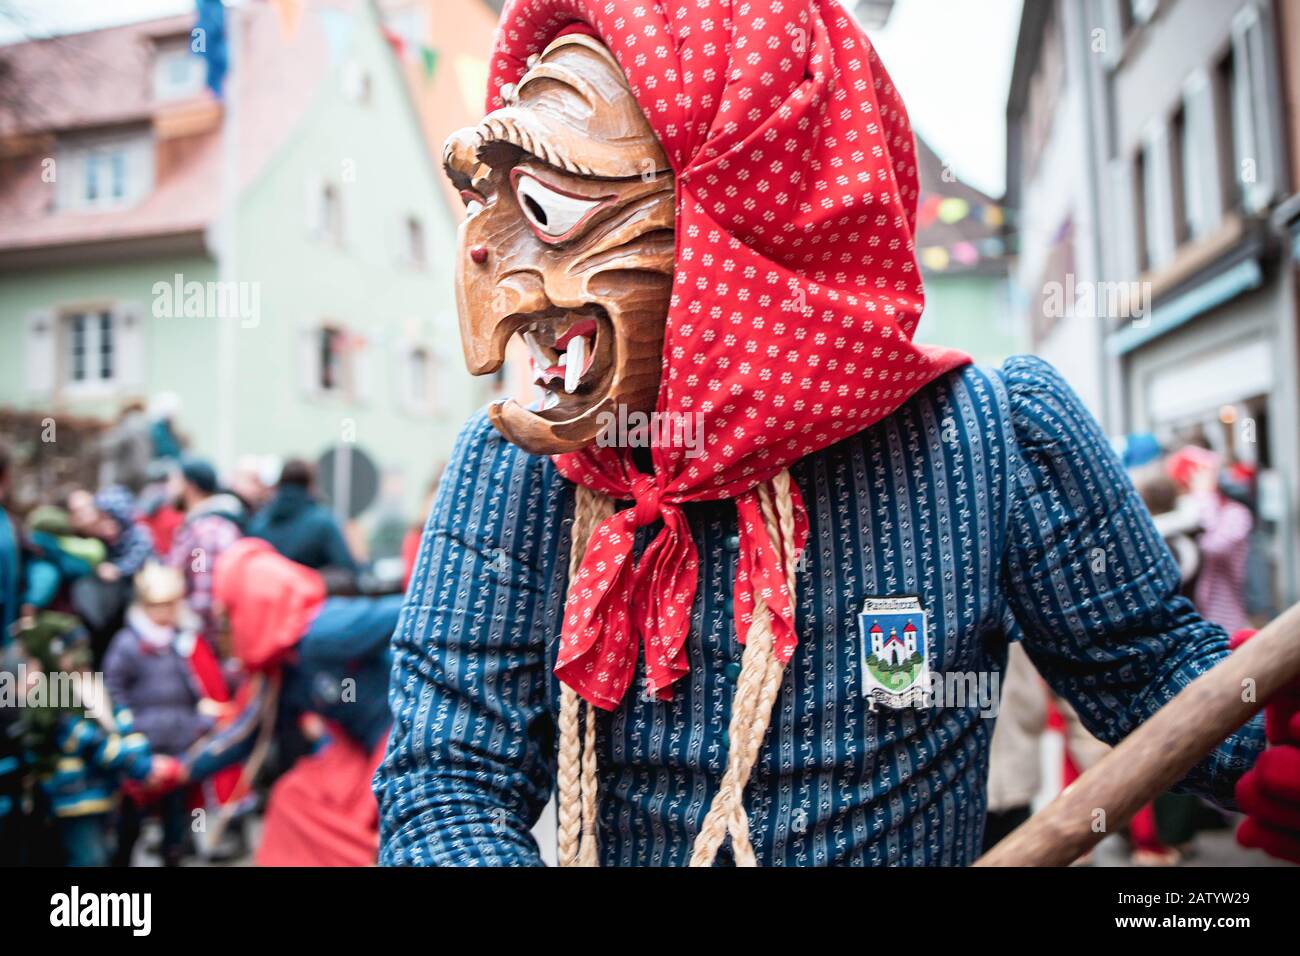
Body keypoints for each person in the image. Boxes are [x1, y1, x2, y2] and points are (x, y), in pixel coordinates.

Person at [375, 0, 1299, 868]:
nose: (500, 275)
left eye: (549, 210)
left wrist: (1265, 741)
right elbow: (447, 777)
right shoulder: (524, 471)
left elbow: (1154, 674)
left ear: (744, 214)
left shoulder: (993, 439)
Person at [173, 537, 401, 865]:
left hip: (397, 741)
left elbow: (412, 611)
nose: (226, 628)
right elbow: (245, 735)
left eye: (231, 614)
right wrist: (184, 769)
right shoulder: (283, 667)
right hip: (359, 751)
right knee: (294, 798)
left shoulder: (324, 630)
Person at [16, 612, 174, 866]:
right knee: (89, 858)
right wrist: (141, 766)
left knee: (108, 852)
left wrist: (141, 754)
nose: (77, 658)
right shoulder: (49, 693)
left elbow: (120, 720)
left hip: (103, 790)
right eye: (67, 651)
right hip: (73, 797)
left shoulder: (88, 683)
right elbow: (87, 742)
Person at [103, 563, 217, 865]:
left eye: (169, 605)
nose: (164, 612)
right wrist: (129, 730)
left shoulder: (183, 641)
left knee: (176, 824)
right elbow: (114, 689)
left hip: (180, 744)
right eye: (158, 605)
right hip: (144, 747)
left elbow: (201, 685)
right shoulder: (128, 644)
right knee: (132, 823)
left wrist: (200, 723)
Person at [165, 456, 244, 645]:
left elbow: (204, 594)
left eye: (174, 481)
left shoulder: (206, 532)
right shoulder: (202, 526)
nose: (168, 488)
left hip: (205, 643)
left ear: (189, 486)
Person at [247, 459, 357, 574]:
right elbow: (345, 568)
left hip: (266, 590)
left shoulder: (258, 523)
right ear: (311, 485)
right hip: (311, 590)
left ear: (279, 483)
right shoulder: (324, 523)